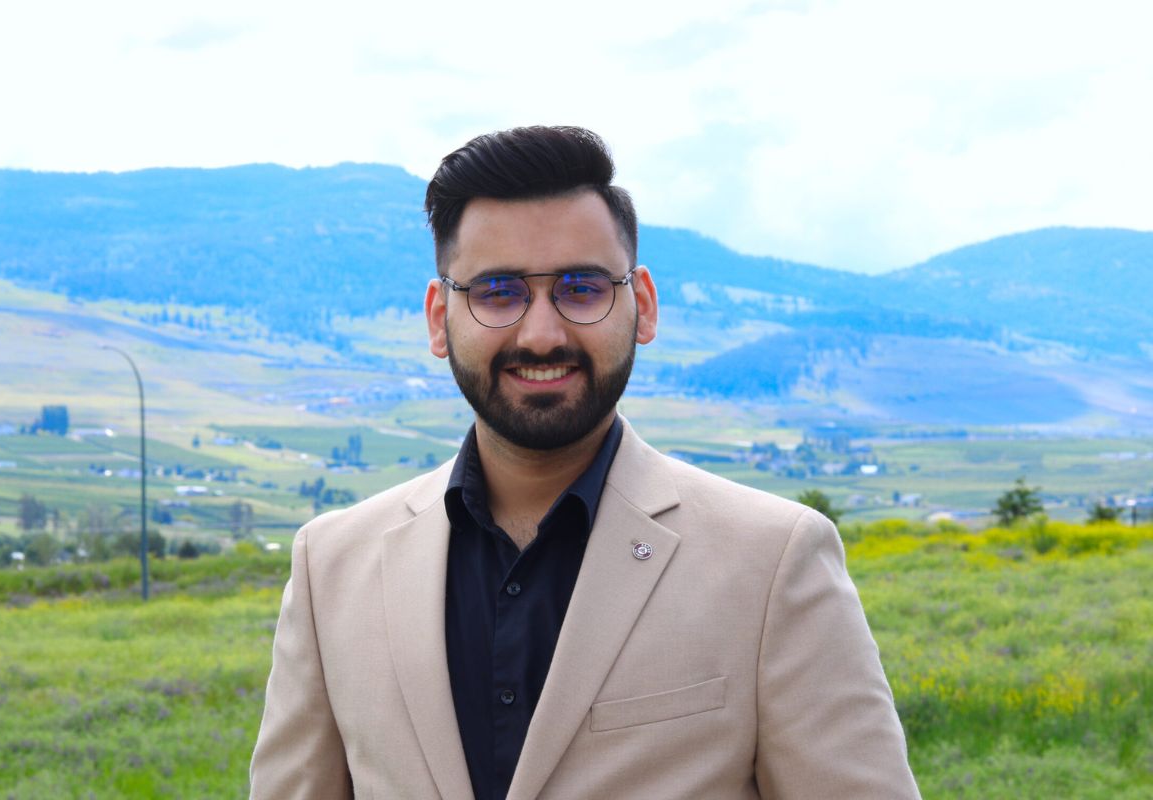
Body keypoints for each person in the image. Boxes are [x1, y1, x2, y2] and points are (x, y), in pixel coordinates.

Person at [249, 125, 920, 799]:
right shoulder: (330, 568)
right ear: (437, 318)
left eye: (581, 287)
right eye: (498, 292)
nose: (542, 334)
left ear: (644, 306)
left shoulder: (772, 563)